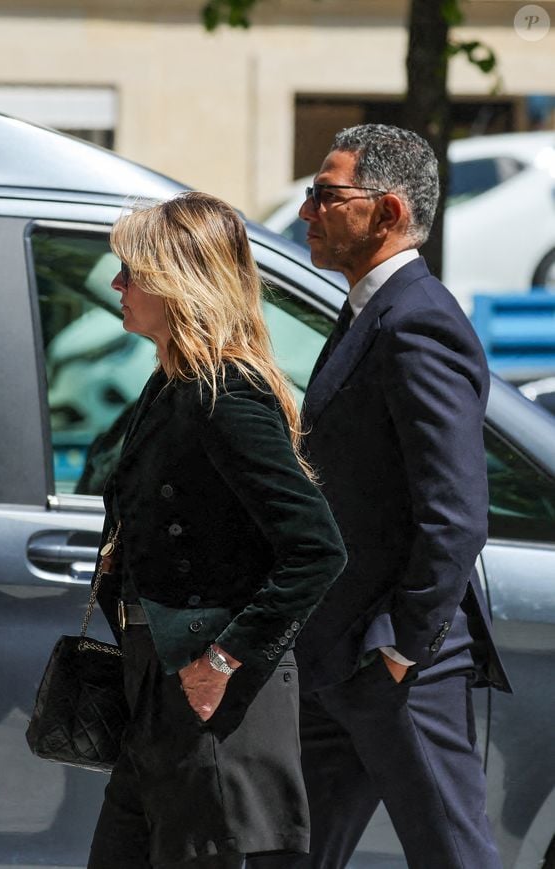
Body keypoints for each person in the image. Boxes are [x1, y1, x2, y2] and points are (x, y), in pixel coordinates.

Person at [248, 125, 511, 869]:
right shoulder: (368, 308)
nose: (306, 211)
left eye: (326, 195)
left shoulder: (417, 320)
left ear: (387, 210)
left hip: (396, 669)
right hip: (337, 656)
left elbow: (456, 514)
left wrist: (400, 648)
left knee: (455, 854)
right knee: (285, 850)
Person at [87, 191, 347, 869]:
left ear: (179, 282)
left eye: (131, 272)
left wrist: (223, 661)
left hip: (216, 701)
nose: (117, 284)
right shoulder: (173, 383)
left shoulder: (226, 394)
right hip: (161, 692)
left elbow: (316, 548)